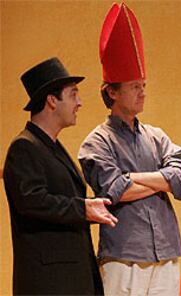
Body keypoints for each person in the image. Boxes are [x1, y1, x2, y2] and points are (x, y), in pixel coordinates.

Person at [78, 3, 181, 296]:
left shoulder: (156, 135)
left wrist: (135, 177)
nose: (143, 92)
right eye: (134, 86)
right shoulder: (97, 141)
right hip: (123, 252)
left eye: (143, 85)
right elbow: (115, 190)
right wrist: (159, 180)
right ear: (112, 91)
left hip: (166, 249)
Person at [3, 57, 118, 295]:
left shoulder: (51, 146)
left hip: (70, 278)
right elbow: (32, 201)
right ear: (52, 100)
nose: (80, 102)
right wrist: (83, 208)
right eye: (73, 94)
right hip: (49, 282)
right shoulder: (24, 147)